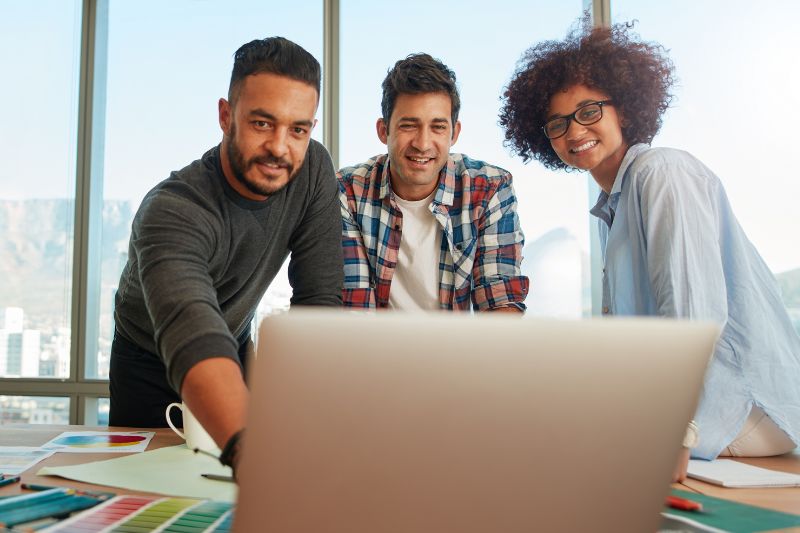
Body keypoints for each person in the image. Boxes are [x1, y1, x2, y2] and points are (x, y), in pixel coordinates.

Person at [499, 21, 800, 481]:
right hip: (703, 411)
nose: (573, 130)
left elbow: (691, 313)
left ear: (626, 108)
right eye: (557, 123)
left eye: (589, 110)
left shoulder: (660, 173)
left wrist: (675, 433)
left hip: (742, 407)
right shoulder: (614, 206)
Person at [109, 37, 343, 473]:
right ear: (225, 116)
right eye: (261, 123)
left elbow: (320, 301)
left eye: (298, 129)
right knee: (147, 487)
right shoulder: (173, 208)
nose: (280, 146)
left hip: (233, 340)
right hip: (148, 360)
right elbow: (192, 330)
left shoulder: (311, 168)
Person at [338, 54, 528, 312]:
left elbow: (499, 302)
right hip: (373, 350)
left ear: (454, 133)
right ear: (384, 131)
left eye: (437, 127)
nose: (423, 143)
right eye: (408, 125)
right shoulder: (348, 191)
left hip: (459, 351)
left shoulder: (490, 189)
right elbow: (355, 309)